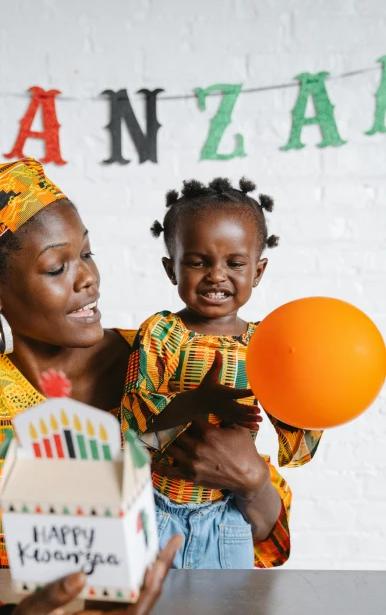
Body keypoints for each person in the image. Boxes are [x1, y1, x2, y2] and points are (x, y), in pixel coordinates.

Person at [0, 159, 293, 615]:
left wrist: (253, 484)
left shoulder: (165, 357)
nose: (88, 278)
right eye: (57, 267)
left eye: (87, 253)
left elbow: (259, 539)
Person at [121, 176, 323, 569]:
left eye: (235, 263)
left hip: (226, 515)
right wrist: (199, 399)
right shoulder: (161, 332)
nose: (216, 275)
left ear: (258, 271)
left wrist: (311, 394)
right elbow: (133, 419)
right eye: (198, 262)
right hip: (153, 508)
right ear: (171, 268)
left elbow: (296, 424)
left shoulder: (267, 344)